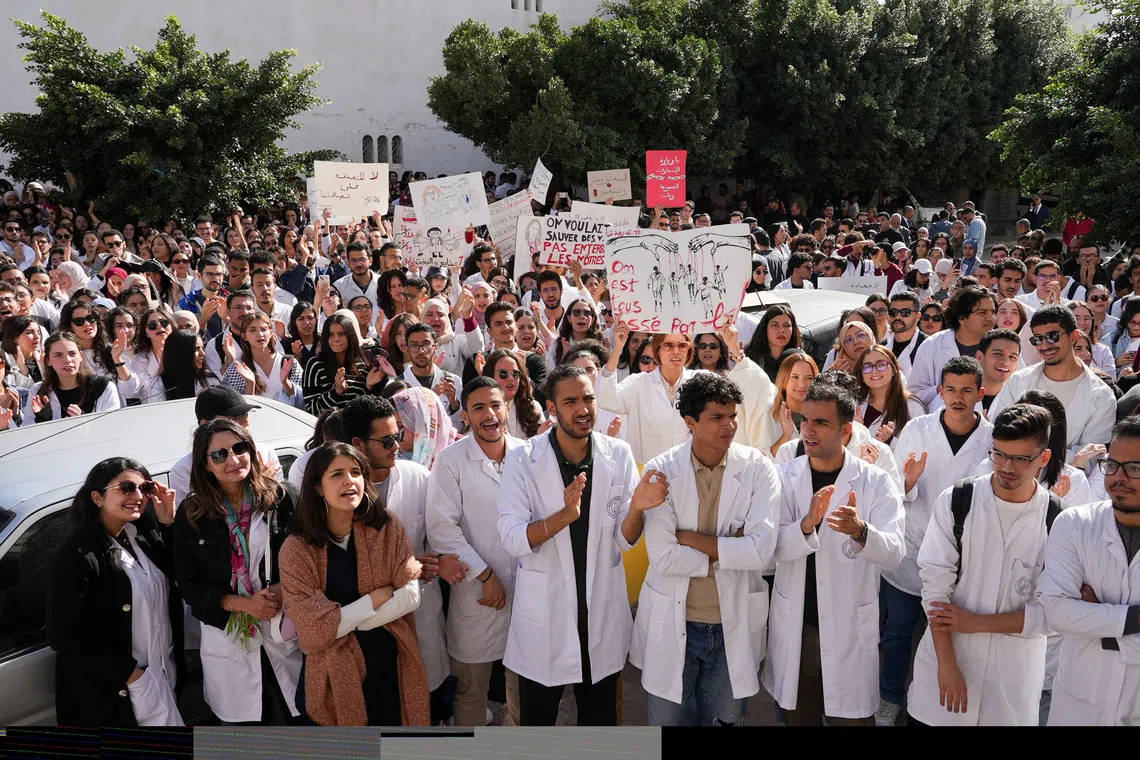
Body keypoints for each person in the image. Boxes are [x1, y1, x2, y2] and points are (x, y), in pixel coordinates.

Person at [498, 365, 646, 725]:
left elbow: (625, 538)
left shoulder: (619, 454)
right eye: (571, 401)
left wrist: (640, 506)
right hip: (545, 619)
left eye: (589, 398)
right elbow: (512, 537)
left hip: (600, 615)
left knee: (599, 724)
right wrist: (563, 516)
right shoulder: (522, 459)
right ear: (551, 407)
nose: (583, 409)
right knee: (539, 724)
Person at [631, 374, 781, 725]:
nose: (729, 425)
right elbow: (664, 558)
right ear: (690, 422)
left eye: (732, 416)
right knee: (669, 724)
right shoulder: (661, 470)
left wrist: (689, 537)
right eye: (717, 417)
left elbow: (761, 552)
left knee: (725, 721)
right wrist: (731, 548)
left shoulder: (759, 468)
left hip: (732, 623)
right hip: (675, 618)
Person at [762, 381, 905, 726]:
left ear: (845, 431)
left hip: (848, 626)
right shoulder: (784, 477)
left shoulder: (875, 482)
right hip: (800, 627)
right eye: (804, 420)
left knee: (851, 720)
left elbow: (895, 553)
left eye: (820, 423)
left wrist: (861, 532)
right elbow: (770, 550)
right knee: (799, 718)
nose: (808, 430)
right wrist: (807, 524)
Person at [906, 404, 1057, 726]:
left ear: (1044, 458)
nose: (1007, 467)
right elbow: (935, 590)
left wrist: (974, 622)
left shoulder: (1058, 520)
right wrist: (947, 666)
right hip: (946, 668)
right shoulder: (958, 501)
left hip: (1011, 687)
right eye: (999, 454)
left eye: (1021, 459)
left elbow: (1052, 614)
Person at [874, 357, 995, 726]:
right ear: (940, 391)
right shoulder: (917, 430)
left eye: (966, 390)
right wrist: (908, 481)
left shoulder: (991, 438)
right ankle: (891, 696)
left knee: (945, 636)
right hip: (911, 553)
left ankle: (934, 702)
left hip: (963, 559)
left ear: (981, 393)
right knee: (897, 634)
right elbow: (890, 490)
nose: (957, 397)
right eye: (951, 389)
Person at [279, 442, 430, 726]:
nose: (349, 480)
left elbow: (410, 597)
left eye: (356, 472)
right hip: (334, 675)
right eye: (337, 474)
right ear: (318, 487)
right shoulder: (297, 549)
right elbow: (312, 631)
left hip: (389, 665)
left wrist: (348, 621)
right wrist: (374, 600)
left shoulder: (386, 527)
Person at [172, 418, 304, 725]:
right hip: (229, 641)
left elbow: (312, 558)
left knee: (299, 723)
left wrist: (285, 588)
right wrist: (244, 604)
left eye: (240, 448)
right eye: (219, 455)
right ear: (205, 465)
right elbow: (189, 585)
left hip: (284, 631)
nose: (233, 459)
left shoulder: (282, 499)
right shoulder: (192, 514)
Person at [343, 394, 459, 724]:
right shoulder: (341, 493)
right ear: (358, 444)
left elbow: (440, 537)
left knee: (432, 699)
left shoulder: (418, 477)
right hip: (371, 623)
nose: (397, 444)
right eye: (387, 440)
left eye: (399, 435)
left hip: (422, 614)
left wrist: (434, 562)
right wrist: (409, 568)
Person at [46, 458, 184, 726]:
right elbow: (64, 636)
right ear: (97, 497)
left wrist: (168, 523)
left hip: (163, 675)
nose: (138, 496)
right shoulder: (77, 555)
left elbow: (181, 575)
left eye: (144, 488)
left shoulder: (143, 533)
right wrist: (131, 674)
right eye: (126, 488)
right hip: (119, 691)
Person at [426, 377, 524, 727]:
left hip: (526, 590)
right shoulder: (451, 461)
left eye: (495, 405)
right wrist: (485, 575)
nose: (489, 414)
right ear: (465, 415)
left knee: (523, 687)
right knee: (471, 689)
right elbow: (441, 527)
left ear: (507, 408)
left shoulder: (529, 454)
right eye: (478, 407)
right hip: (476, 591)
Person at [1041, 417, 1140, 725]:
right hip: (1079, 701)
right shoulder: (1074, 524)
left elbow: (1074, 617)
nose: (1118, 478)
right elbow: (1057, 613)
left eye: (1134, 468)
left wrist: (1095, 619)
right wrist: (1134, 619)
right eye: (1112, 465)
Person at [990, 305, 1115, 462]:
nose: (1044, 345)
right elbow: (999, 436)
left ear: (1074, 337)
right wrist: (1071, 456)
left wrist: (1027, 454)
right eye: (1038, 339)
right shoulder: (1018, 381)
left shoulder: (1102, 396)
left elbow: (1091, 456)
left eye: (1052, 336)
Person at [167, 386, 284, 503]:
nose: (245, 423)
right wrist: (257, 486)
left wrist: (265, 487)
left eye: (245, 414)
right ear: (205, 425)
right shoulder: (184, 470)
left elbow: (281, 505)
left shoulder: (265, 453)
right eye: (233, 418)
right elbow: (191, 516)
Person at [908, 286, 998, 407]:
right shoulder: (932, 346)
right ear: (962, 318)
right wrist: (944, 388)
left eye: (993, 312)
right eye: (982, 312)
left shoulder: (1002, 343)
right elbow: (914, 396)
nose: (990, 318)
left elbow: (1016, 385)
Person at [21, 331, 121, 424]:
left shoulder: (103, 386)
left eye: (72, 353)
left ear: (81, 356)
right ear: (48, 361)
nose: (67, 360)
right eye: (58, 355)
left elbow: (112, 427)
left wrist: (84, 421)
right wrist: (43, 419)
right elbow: (27, 430)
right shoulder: (38, 390)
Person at [302, 312, 387, 414]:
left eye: (341, 334)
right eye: (331, 335)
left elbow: (366, 412)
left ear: (351, 336)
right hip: (326, 429)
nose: (336, 339)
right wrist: (336, 391)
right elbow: (311, 410)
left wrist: (368, 387)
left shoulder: (363, 366)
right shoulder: (315, 365)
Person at [222, 312, 304, 408]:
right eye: (252, 330)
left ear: (271, 332)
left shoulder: (289, 363)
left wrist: (285, 382)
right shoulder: (237, 368)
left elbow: (302, 402)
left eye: (264, 329)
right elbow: (233, 407)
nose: (260, 334)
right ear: (244, 336)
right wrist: (250, 384)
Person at [854, 344, 925, 443]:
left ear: (894, 370)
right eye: (867, 367)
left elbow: (919, 447)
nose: (874, 371)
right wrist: (856, 430)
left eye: (881, 365)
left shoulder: (912, 406)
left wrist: (891, 441)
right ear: (861, 374)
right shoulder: (854, 405)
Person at [479, 348, 545, 439]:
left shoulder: (533, 407)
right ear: (490, 377)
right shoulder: (479, 411)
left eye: (515, 374)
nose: (510, 378)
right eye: (503, 374)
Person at [143, 329, 220, 403]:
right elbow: (159, 414)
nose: (203, 353)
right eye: (196, 349)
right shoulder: (158, 384)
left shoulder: (210, 379)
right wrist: (193, 403)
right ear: (180, 353)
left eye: (203, 348)